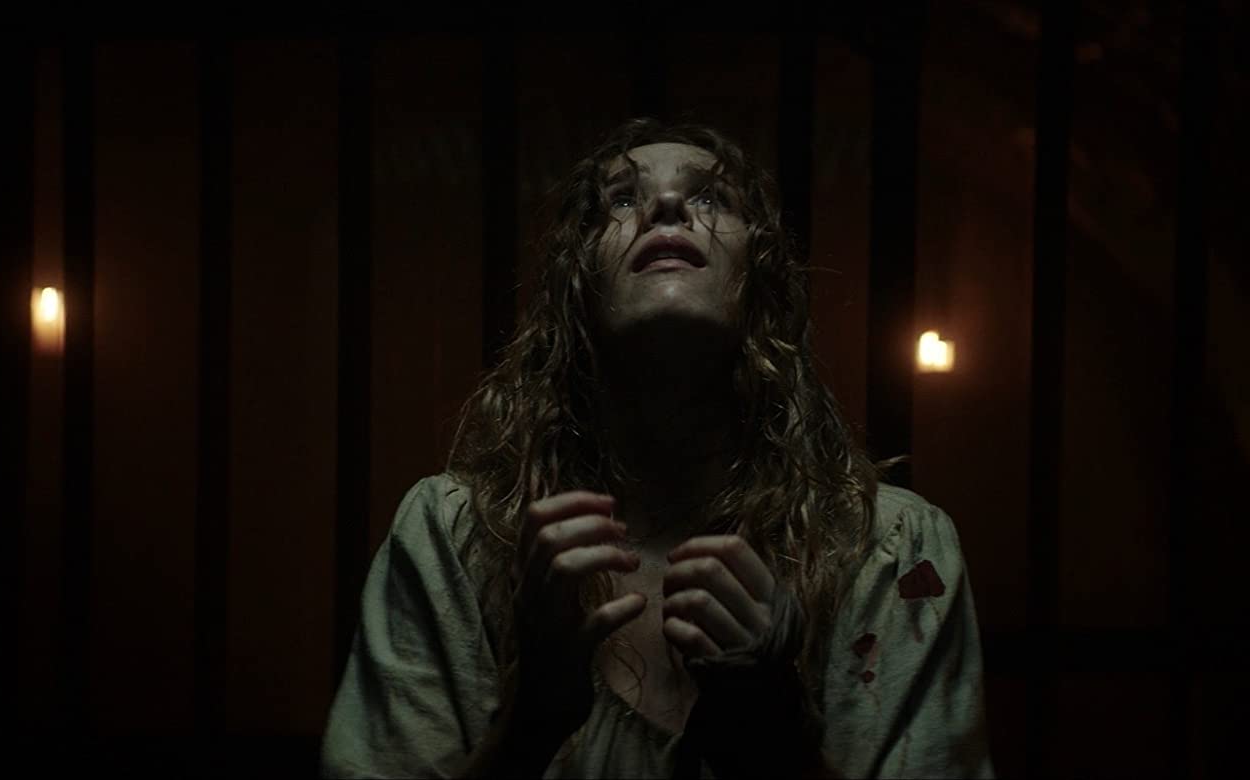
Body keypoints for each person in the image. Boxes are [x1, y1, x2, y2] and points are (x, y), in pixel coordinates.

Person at [320, 118, 994, 778]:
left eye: (710, 197)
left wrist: (773, 737)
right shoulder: (454, 533)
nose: (666, 206)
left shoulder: (888, 545)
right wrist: (530, 719)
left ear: (759, 277)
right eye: (621, 200)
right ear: (577, 284)